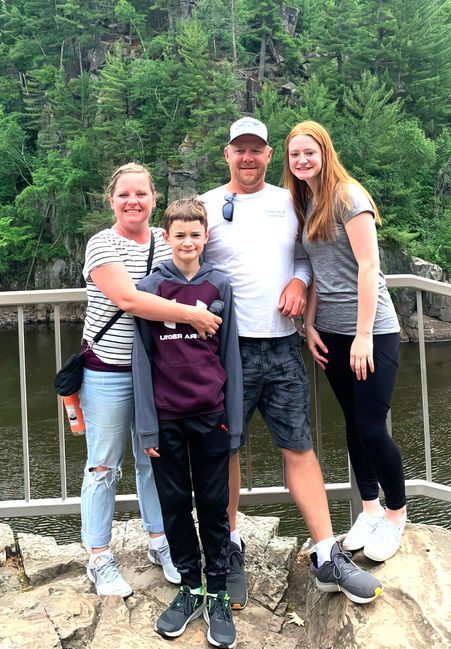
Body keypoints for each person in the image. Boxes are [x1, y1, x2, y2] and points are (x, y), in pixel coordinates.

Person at [199, 117, 383, 607]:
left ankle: (326, 554)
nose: (248, 158)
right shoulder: (208, 206)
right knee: (227, 450)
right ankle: (227, 544)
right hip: (228, 349)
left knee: (298, 446)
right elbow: (183, 262)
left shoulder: (292, 202)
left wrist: (300, 283)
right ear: (227, 154)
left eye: (257, 150)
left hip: (282, 347)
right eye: (239, 150)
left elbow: (309, 258)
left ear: (266, 155)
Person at [80, 163, 222, 598]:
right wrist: (193, 316)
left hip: (157, 372)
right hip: (107, 369)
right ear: (112, 200)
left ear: (154, 199)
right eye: (124, 194)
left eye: (141, 193)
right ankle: (99, 557)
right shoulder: (101, 244)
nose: (133, 201)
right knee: (104, 465)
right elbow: (127, 299)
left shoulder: (166, 242)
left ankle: (160, 542)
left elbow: (198, 273)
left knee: (152, 459)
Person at [284, 120, 407, 562]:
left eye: (309, 152)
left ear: (325, 152)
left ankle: (396, 516)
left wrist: (362, 335)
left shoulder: (348, 197)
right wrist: (310, 325)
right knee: (354, 426)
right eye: (295, 154)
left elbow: (369, 267)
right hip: (331, 332)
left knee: (373, 427)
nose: (302, 160)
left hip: (370, 332)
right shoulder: (307, 199)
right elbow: (317, 271)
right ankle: (370, 510)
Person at [132, 198, 242, 649]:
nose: (188, 242)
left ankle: (217, 590)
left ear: (205, 237)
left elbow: (229, 352)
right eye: (179, 235)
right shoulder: (149, 287)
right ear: (166, 237)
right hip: (166, 417)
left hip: (210, 413)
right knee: (175, 506)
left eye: (195, 234)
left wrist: (232, 422)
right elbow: (142, 359)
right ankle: (190, 587)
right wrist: (147, 427)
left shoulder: (220, 284)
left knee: (214, 505)